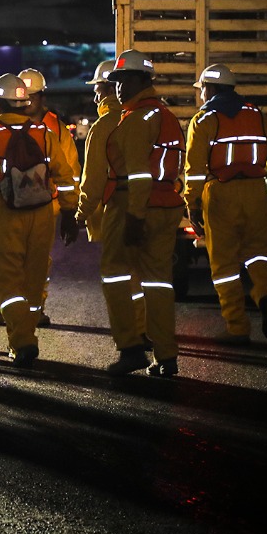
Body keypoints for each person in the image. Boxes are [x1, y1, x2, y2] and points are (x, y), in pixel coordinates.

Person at [0, 73, 78, 368]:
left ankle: (23, 341)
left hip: (5, 218)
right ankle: (28, 330)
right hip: (42, 216)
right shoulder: (46, 135)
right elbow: (65, 177)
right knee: (34, 279)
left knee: (6, 280)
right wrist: (68, 212)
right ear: (24, 104)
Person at [78, 51, 186, 375]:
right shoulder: (165, 115)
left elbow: (138, 174)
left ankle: (130, 349)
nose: (118, 87)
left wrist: (134, 217)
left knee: (115, 275)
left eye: (124, 80)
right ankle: (166, 356)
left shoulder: (136, 120)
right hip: (166, 205)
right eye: (115, 81)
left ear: (142, 81)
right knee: (158, 283)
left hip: (133, 204)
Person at [183, 63, 267, 345]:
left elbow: (194, 169)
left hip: (219, 193)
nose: (201, 94)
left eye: (202, 88)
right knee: (260, 252)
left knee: (224, 264)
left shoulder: (204, 120)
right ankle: (266, 296)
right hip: (255, 191)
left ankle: (237, 327)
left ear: (211, 89)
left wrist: (192, 203)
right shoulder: (258, 116)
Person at [0, 67, 80, 328]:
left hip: (45, 206)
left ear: (42, 97)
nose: (27, 101)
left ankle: (34, 309)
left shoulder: (55, 129)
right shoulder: (4, 129)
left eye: (33, 96)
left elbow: (69, 171)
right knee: (7, 260)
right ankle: (4, 308)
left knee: (36, 262)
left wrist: (69, 209)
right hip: (9, 205)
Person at [74, 59, 120, 243]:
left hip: (110, 213)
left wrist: (81, 213)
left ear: (111, 91)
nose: (95, 100)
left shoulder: (102, 126)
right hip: (141, 211)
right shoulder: (137, 119)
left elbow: (93, 178)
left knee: (114, 261)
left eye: (98, 92)